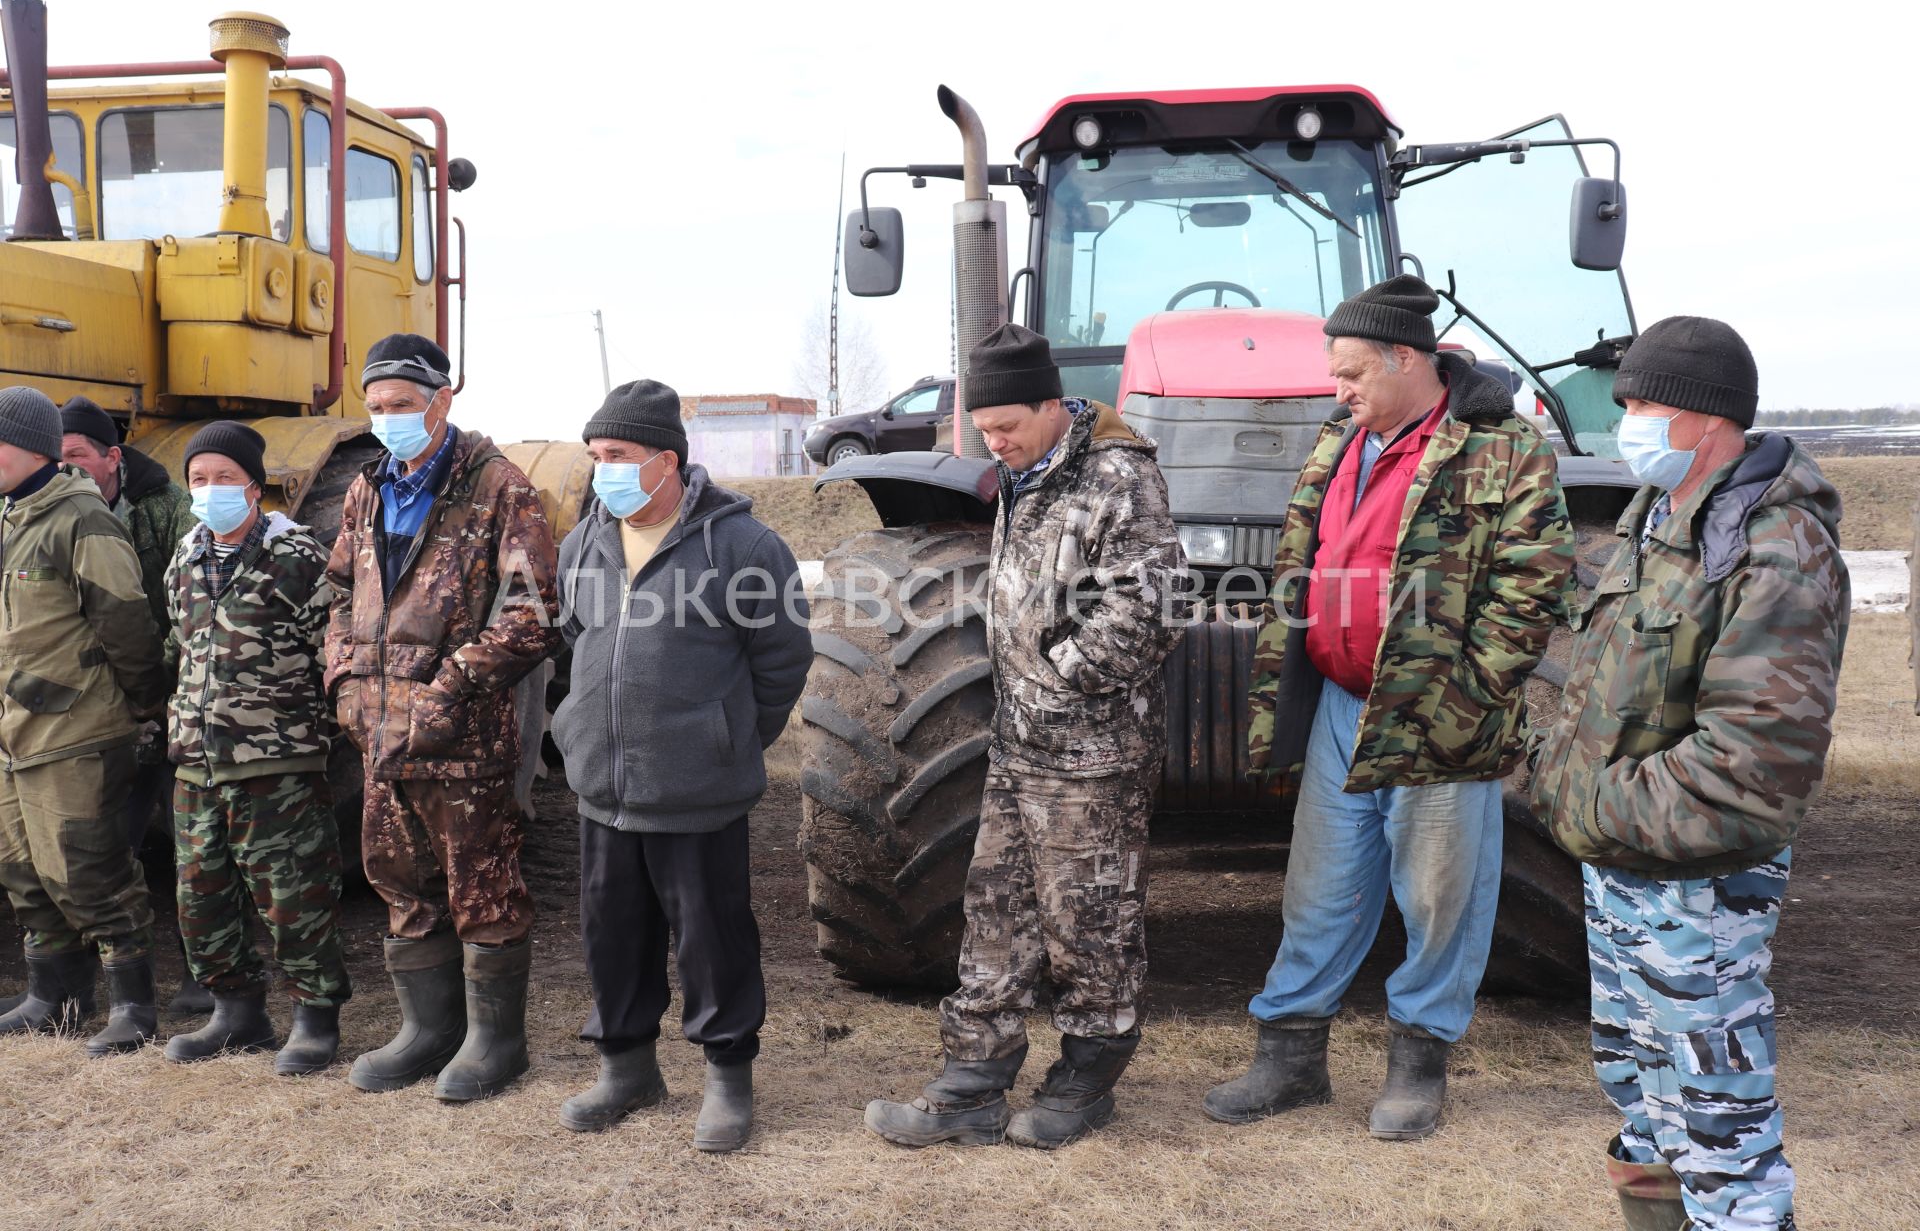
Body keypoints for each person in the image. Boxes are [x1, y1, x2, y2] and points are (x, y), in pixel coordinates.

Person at [1205, 275, 1573, 1140]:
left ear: (1407, 359)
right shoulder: (1342, 437)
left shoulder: (1503, 447)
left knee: (1441, 894)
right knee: (1321, 890)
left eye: (1351, 373)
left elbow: (1534, 585)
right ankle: (1291, 1059)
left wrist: (1468, 696)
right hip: (1341, 701)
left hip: (1439, 714)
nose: (1338, 391)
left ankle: (1418, 1063)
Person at [1531, 318, 1846, 1231]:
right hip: (1625, 862)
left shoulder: (1774, 548)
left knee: (1720, 1131)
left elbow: (1752, 768)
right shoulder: (1663, 512)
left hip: (1697, 889)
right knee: (1644, 1095)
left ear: (1706, 420)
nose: (1625, 421)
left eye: (1641, 405)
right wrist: (1572, 791)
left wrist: (1582, 801)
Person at [866, 323, 1187, 1150]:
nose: (996, 442)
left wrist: (1061, 676)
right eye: (985, 429)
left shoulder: (1120, 477)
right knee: (995, 912)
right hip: (1019, 745)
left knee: (1089, 919)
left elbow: (1151, 608)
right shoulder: (1025, 471)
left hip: (1092, 748)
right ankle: (973, 1081)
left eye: (1009, 425)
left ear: (1054, 405)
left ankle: (1088, 1073)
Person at [551, 380, 810, 1152]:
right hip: (603, 789)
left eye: (619, 456)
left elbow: (781, 664)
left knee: (713, 938)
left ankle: (728, 1078)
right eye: (596, 457)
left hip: (699, 792)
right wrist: (580, 732)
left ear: (666, 461)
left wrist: (723, 739)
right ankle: (627, 1069)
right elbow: (575, 645)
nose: (604, 471)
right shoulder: (583, 542)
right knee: (613, 934)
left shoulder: (745, 548)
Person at [323, 333, 560, 1102]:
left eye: (402, 405)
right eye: (377, 406)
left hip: (462, 739)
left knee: (482, 889)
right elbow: (335, 596)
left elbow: (532, 615)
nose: (389, 419)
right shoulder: (366, 489)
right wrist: (342, 682)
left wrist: (451, 685)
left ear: (442, 400)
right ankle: (427, 1032)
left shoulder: (500, 489)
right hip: (380, 736)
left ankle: (496, 1043)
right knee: (400, 883)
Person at [159, 421, 352, 1075]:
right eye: (199, 479)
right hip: (197, 758)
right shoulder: (184, 558)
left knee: (293, 893)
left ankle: (315, 1019)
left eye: (224, 477)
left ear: (254, 484)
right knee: (200, 893)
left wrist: (310, 733)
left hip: (278, 760)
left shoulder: (297, 556)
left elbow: (331, 653)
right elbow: (179, 648)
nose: (210, 490)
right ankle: (236, 1012)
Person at [0, 387, 169, 1055]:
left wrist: (141, 706)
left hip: (76, 729)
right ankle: (54, 999)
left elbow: (127, 622)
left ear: (30, 448)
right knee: (22, 869)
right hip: (15, 731)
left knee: (89, 871)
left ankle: (133, 1006)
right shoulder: (11, 518)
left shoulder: (81, 520)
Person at [59, 396, 211, 1016]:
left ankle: (204, 976)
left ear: (111, 457)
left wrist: (158, 694)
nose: (65, 469)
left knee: (193, 844)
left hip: (167, 691)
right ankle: (93, 982)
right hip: (94, 703)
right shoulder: (49, 512)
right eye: (56, 456)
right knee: (102, 839)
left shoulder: (168, 510)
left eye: (76, 457)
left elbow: (190, 606)